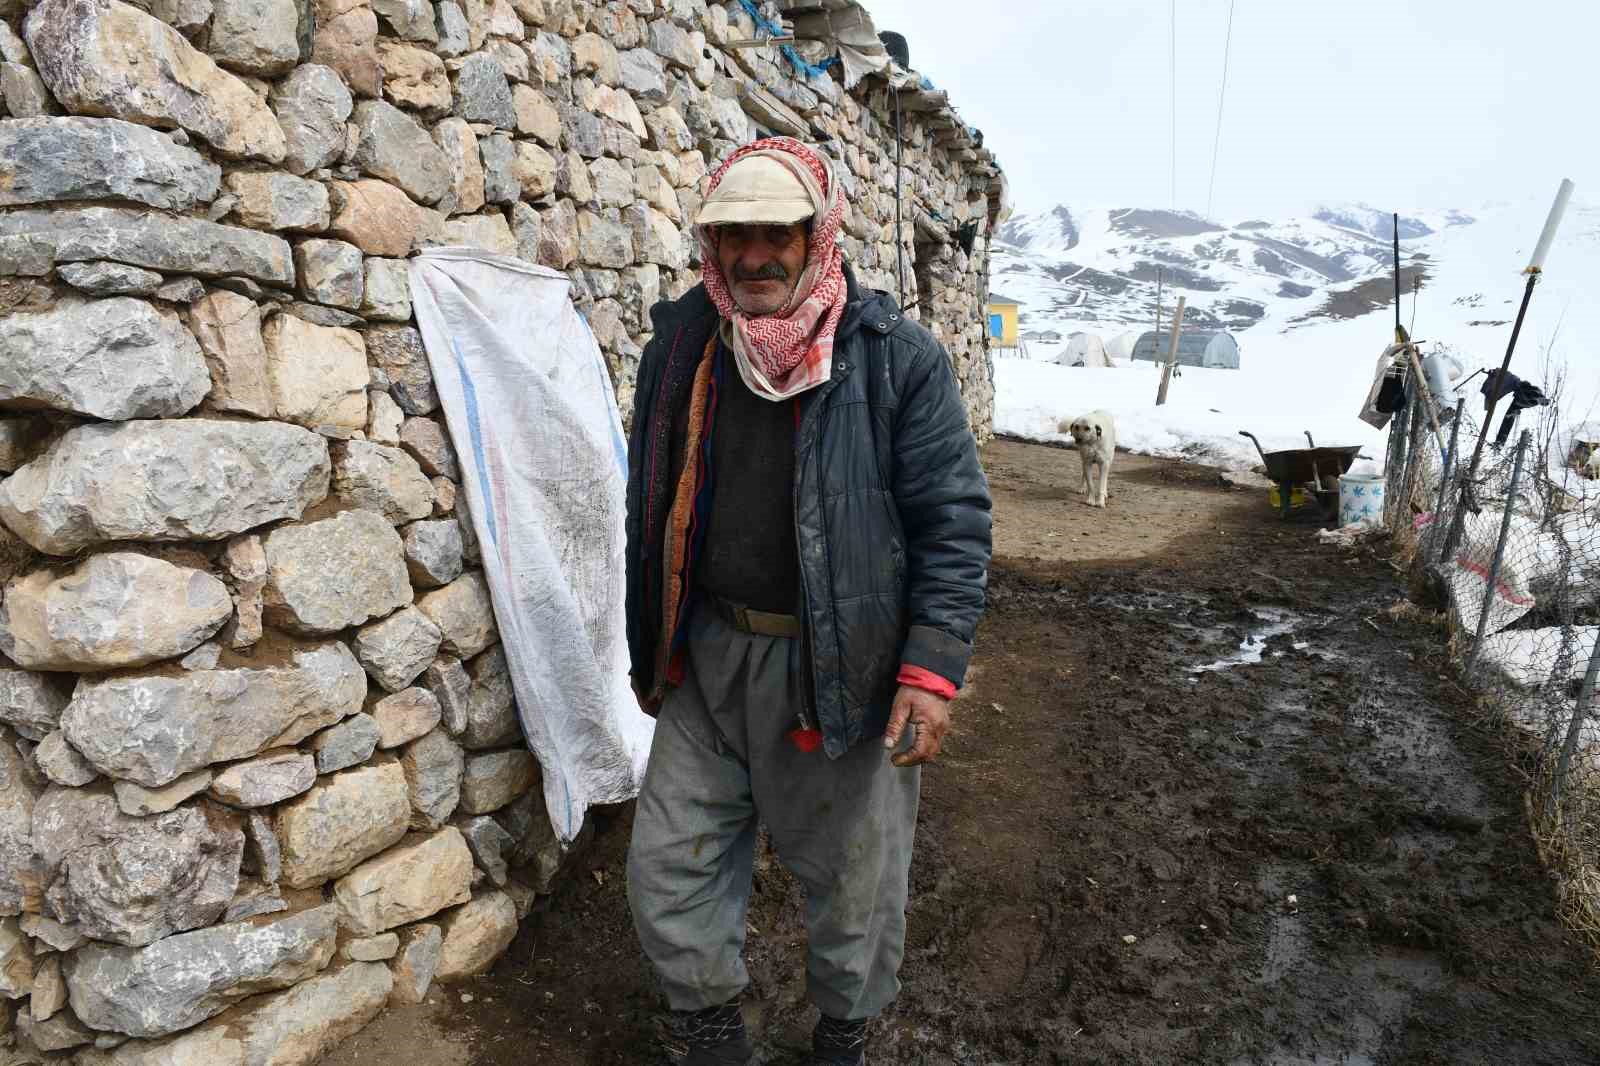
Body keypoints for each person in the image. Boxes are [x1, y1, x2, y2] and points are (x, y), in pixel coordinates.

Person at [623, 136, 992, 1066]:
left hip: (843, 664)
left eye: (774, 232)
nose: (754, 255)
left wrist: (930, 671)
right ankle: (709, 1034)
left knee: (854, 880)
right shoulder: (682, 346)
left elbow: (953, 520)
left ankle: (843, 1034)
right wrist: (651, 638)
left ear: (816, 233)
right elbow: (651, 500)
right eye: (733, 234)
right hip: (708, 657)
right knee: (668, 863)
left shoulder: (895, 360)